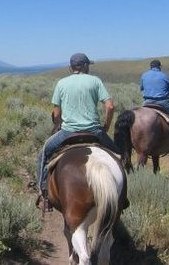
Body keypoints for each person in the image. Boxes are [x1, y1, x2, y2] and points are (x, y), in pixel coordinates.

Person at [36, 53, 119, 200]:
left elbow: (56, 113)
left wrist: (57, 125)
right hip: (94, 131)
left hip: (68, 132)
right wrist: (105, 127)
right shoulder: (95, 81)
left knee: (43, 155)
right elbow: (110, 106)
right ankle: (122, 197)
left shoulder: (61, 83)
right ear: (85, 66)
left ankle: (43, 192)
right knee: (118, 156)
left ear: (71, 67)